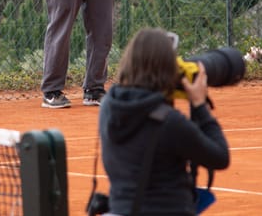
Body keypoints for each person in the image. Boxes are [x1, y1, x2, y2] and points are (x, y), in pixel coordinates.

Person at [98, 28, 230, 215]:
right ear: (168, 70)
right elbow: (220, 157)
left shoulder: (109, 107)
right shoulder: (168, 122)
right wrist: (200, 105)